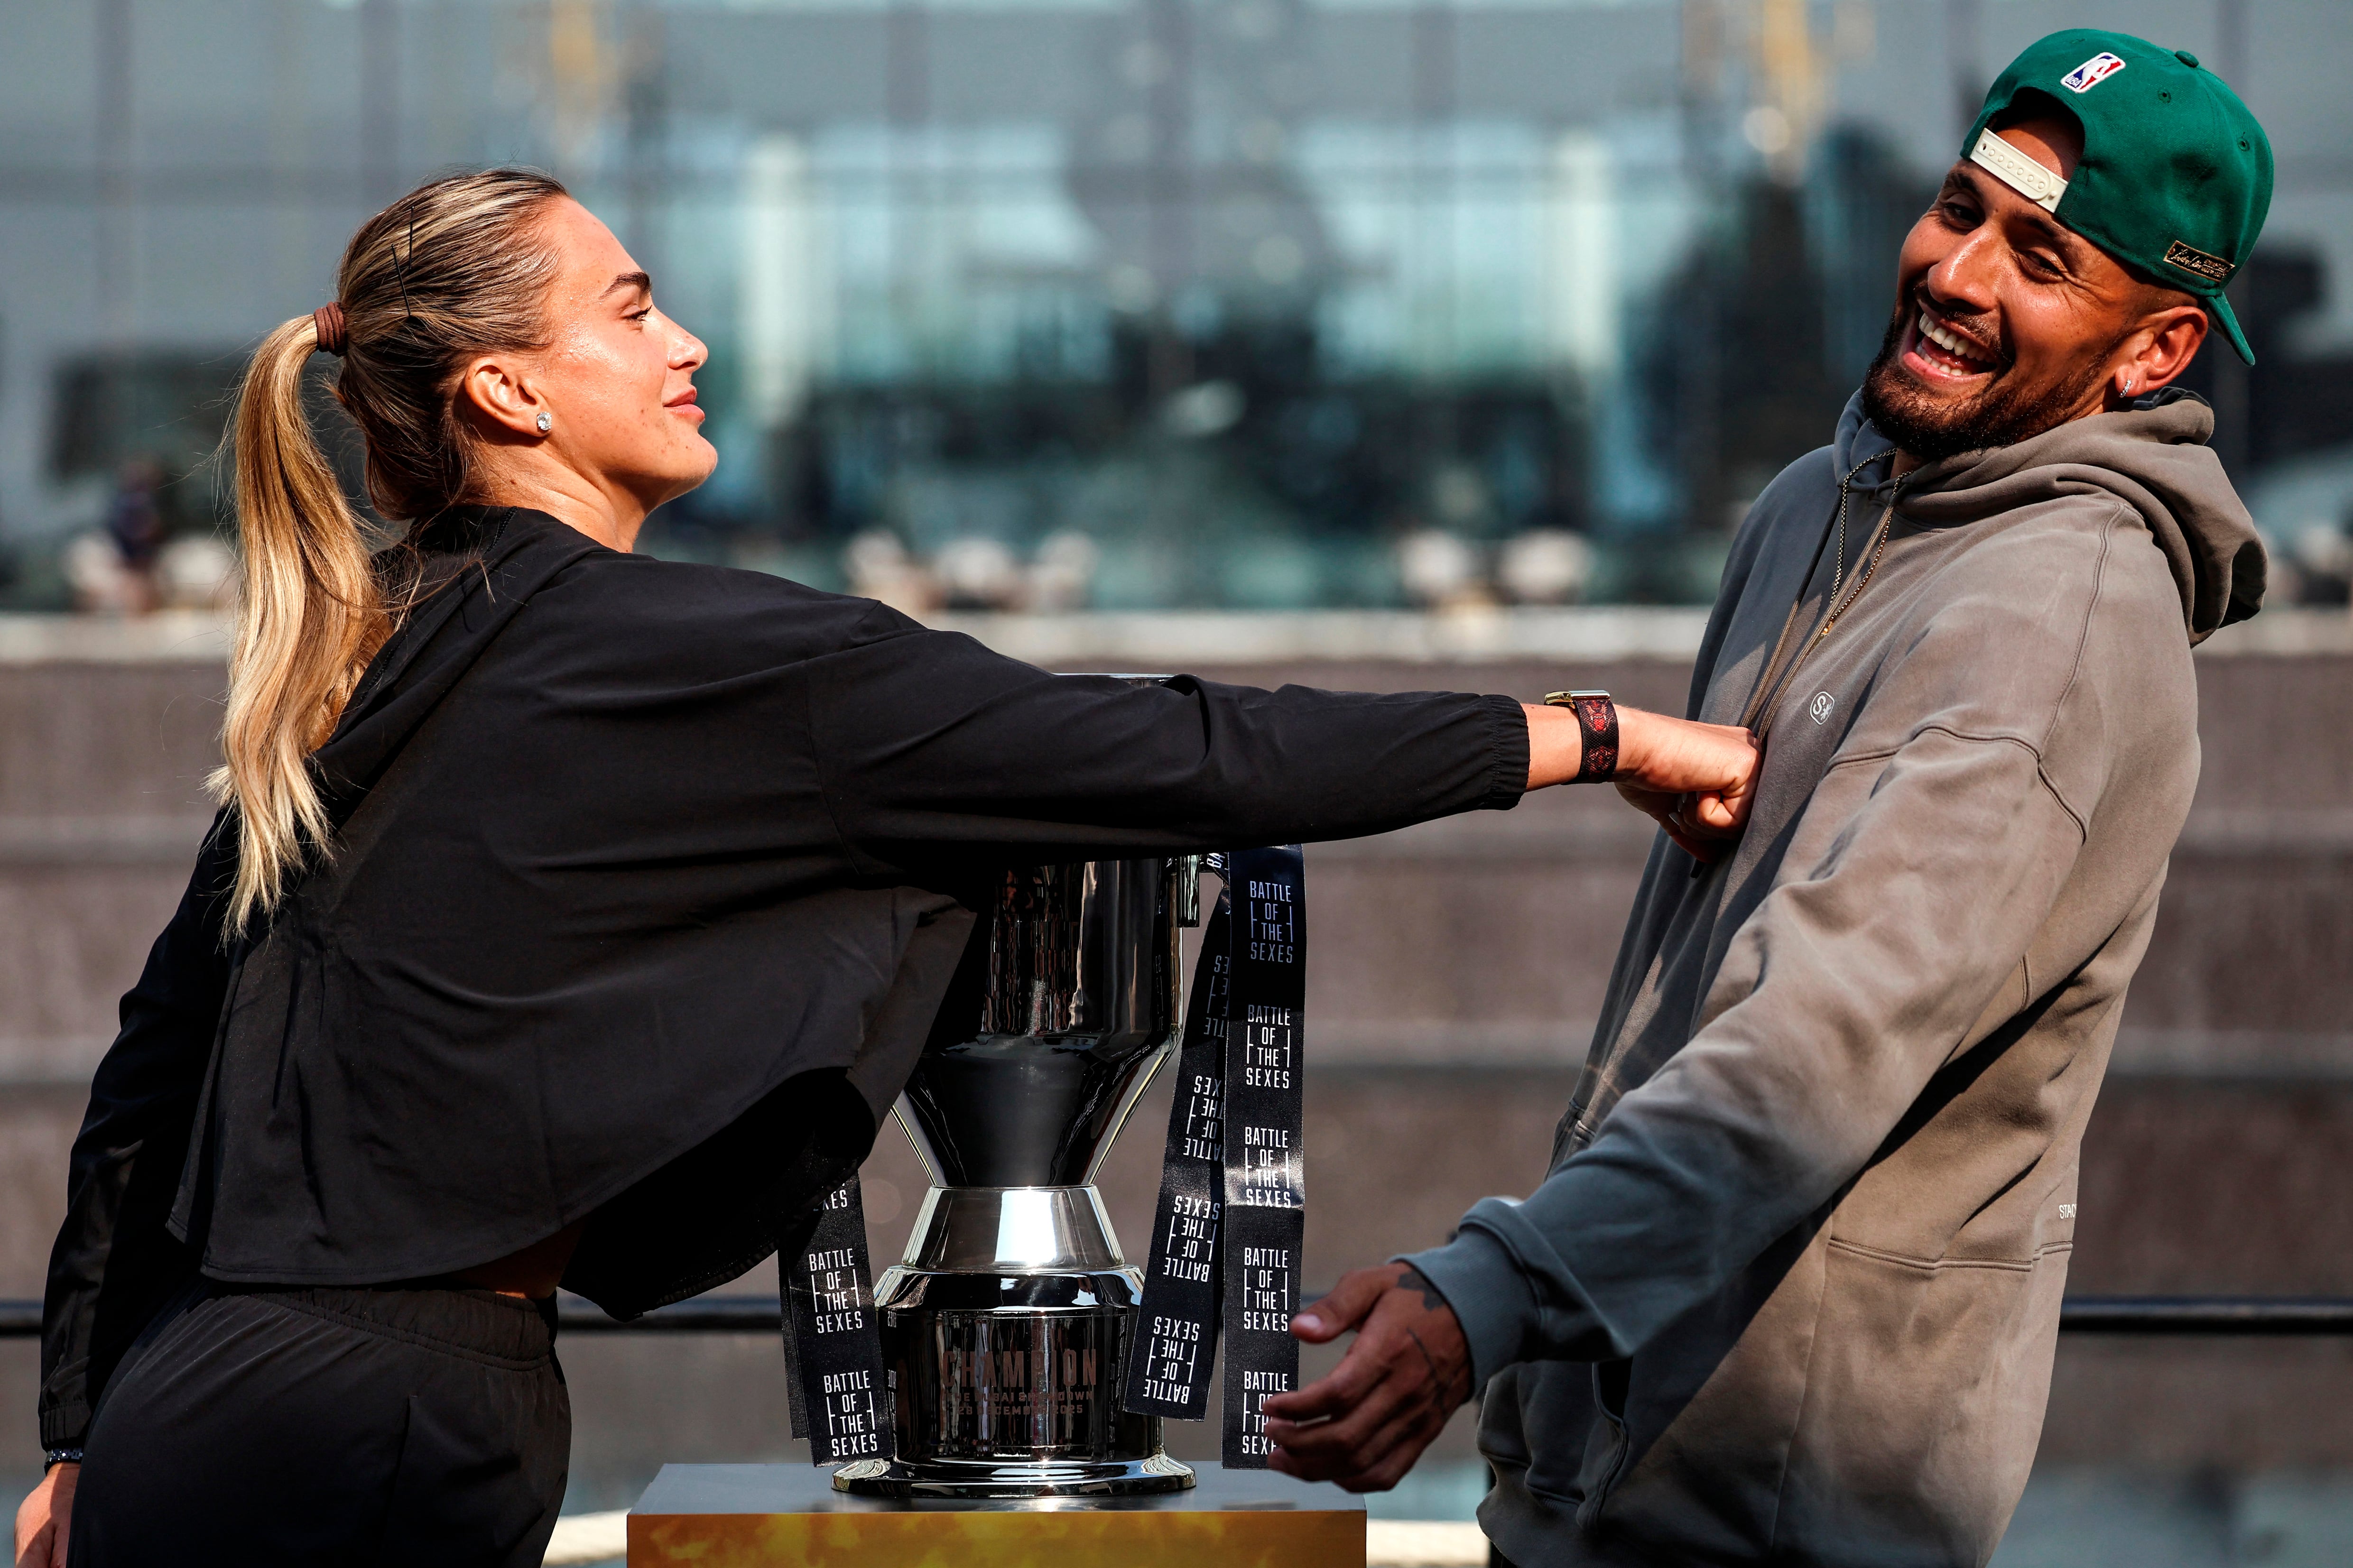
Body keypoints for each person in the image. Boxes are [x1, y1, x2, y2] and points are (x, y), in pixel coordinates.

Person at [13, 171, 1759, 1568]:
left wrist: (85, 1427)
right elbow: (1192, 753)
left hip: (192, 1403)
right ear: (508, 388)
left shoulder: (352, 664)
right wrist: (1596, 736)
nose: (688, 340)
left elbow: (147, 1079)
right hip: (377, 1426)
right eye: (631, 307)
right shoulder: (715, 661)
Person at [1266, 30, 2270, 1568]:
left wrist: (1494, 1294)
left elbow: (1814, 1050)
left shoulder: (2059, 619)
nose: (1957, 273)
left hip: (1779, 1528)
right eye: (1960, 209)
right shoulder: (1821, 502)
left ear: (2154, 353)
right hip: (1599, 1484)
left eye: (2045, 260)